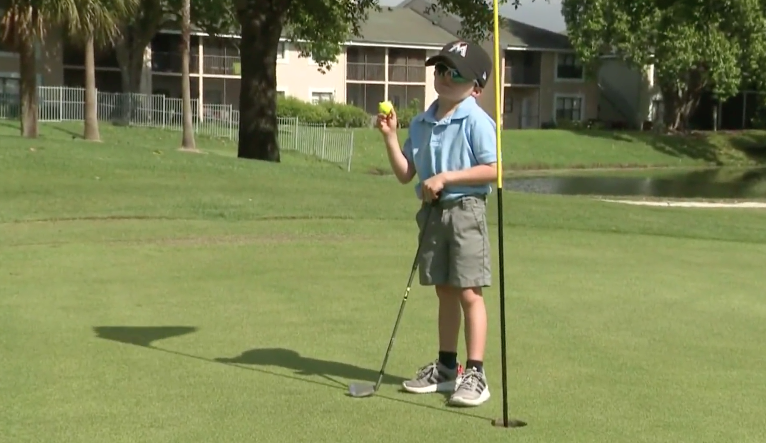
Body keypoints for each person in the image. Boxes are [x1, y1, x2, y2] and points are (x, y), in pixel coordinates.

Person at [376, 40, 497, 407]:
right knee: (444, 289)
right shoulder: (422, 121)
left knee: (468, 292)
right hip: (432, 214)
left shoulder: (476, 119)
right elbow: (405, 173)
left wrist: (446, 178)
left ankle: (475, 373)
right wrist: (391, 138)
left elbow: (494, 169)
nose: (445, 76)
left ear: (476, 85)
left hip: (466, 211)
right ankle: (447, 368)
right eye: (440, 69)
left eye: (455, 71)